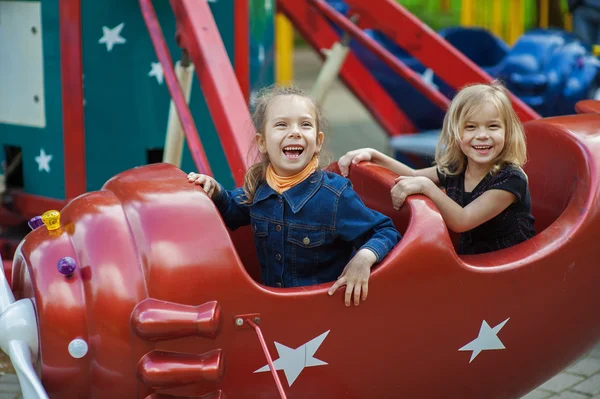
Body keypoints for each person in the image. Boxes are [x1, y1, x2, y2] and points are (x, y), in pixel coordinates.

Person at [188, 85, 400, 306]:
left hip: (321, 314)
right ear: (262, 143)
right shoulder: (260, 187)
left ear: (318, 142)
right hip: (273, 310)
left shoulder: (335, 196)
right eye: (282, 125)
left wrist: (364, 257)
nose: (295, 132)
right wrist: (215, 191)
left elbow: (384, 230)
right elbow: (232, 210)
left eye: (305, 124)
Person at [338, 81, 535, 255]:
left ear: (508, 132)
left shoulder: (510, 179)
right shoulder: (459, 167)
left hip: (509, 266)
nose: (482, 135)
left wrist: (428, 188)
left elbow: (462, 220)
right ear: (455, 133)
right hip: (474, 262)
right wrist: (375, 156)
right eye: (470, 127)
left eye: (493, 126)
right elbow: (413, 174)